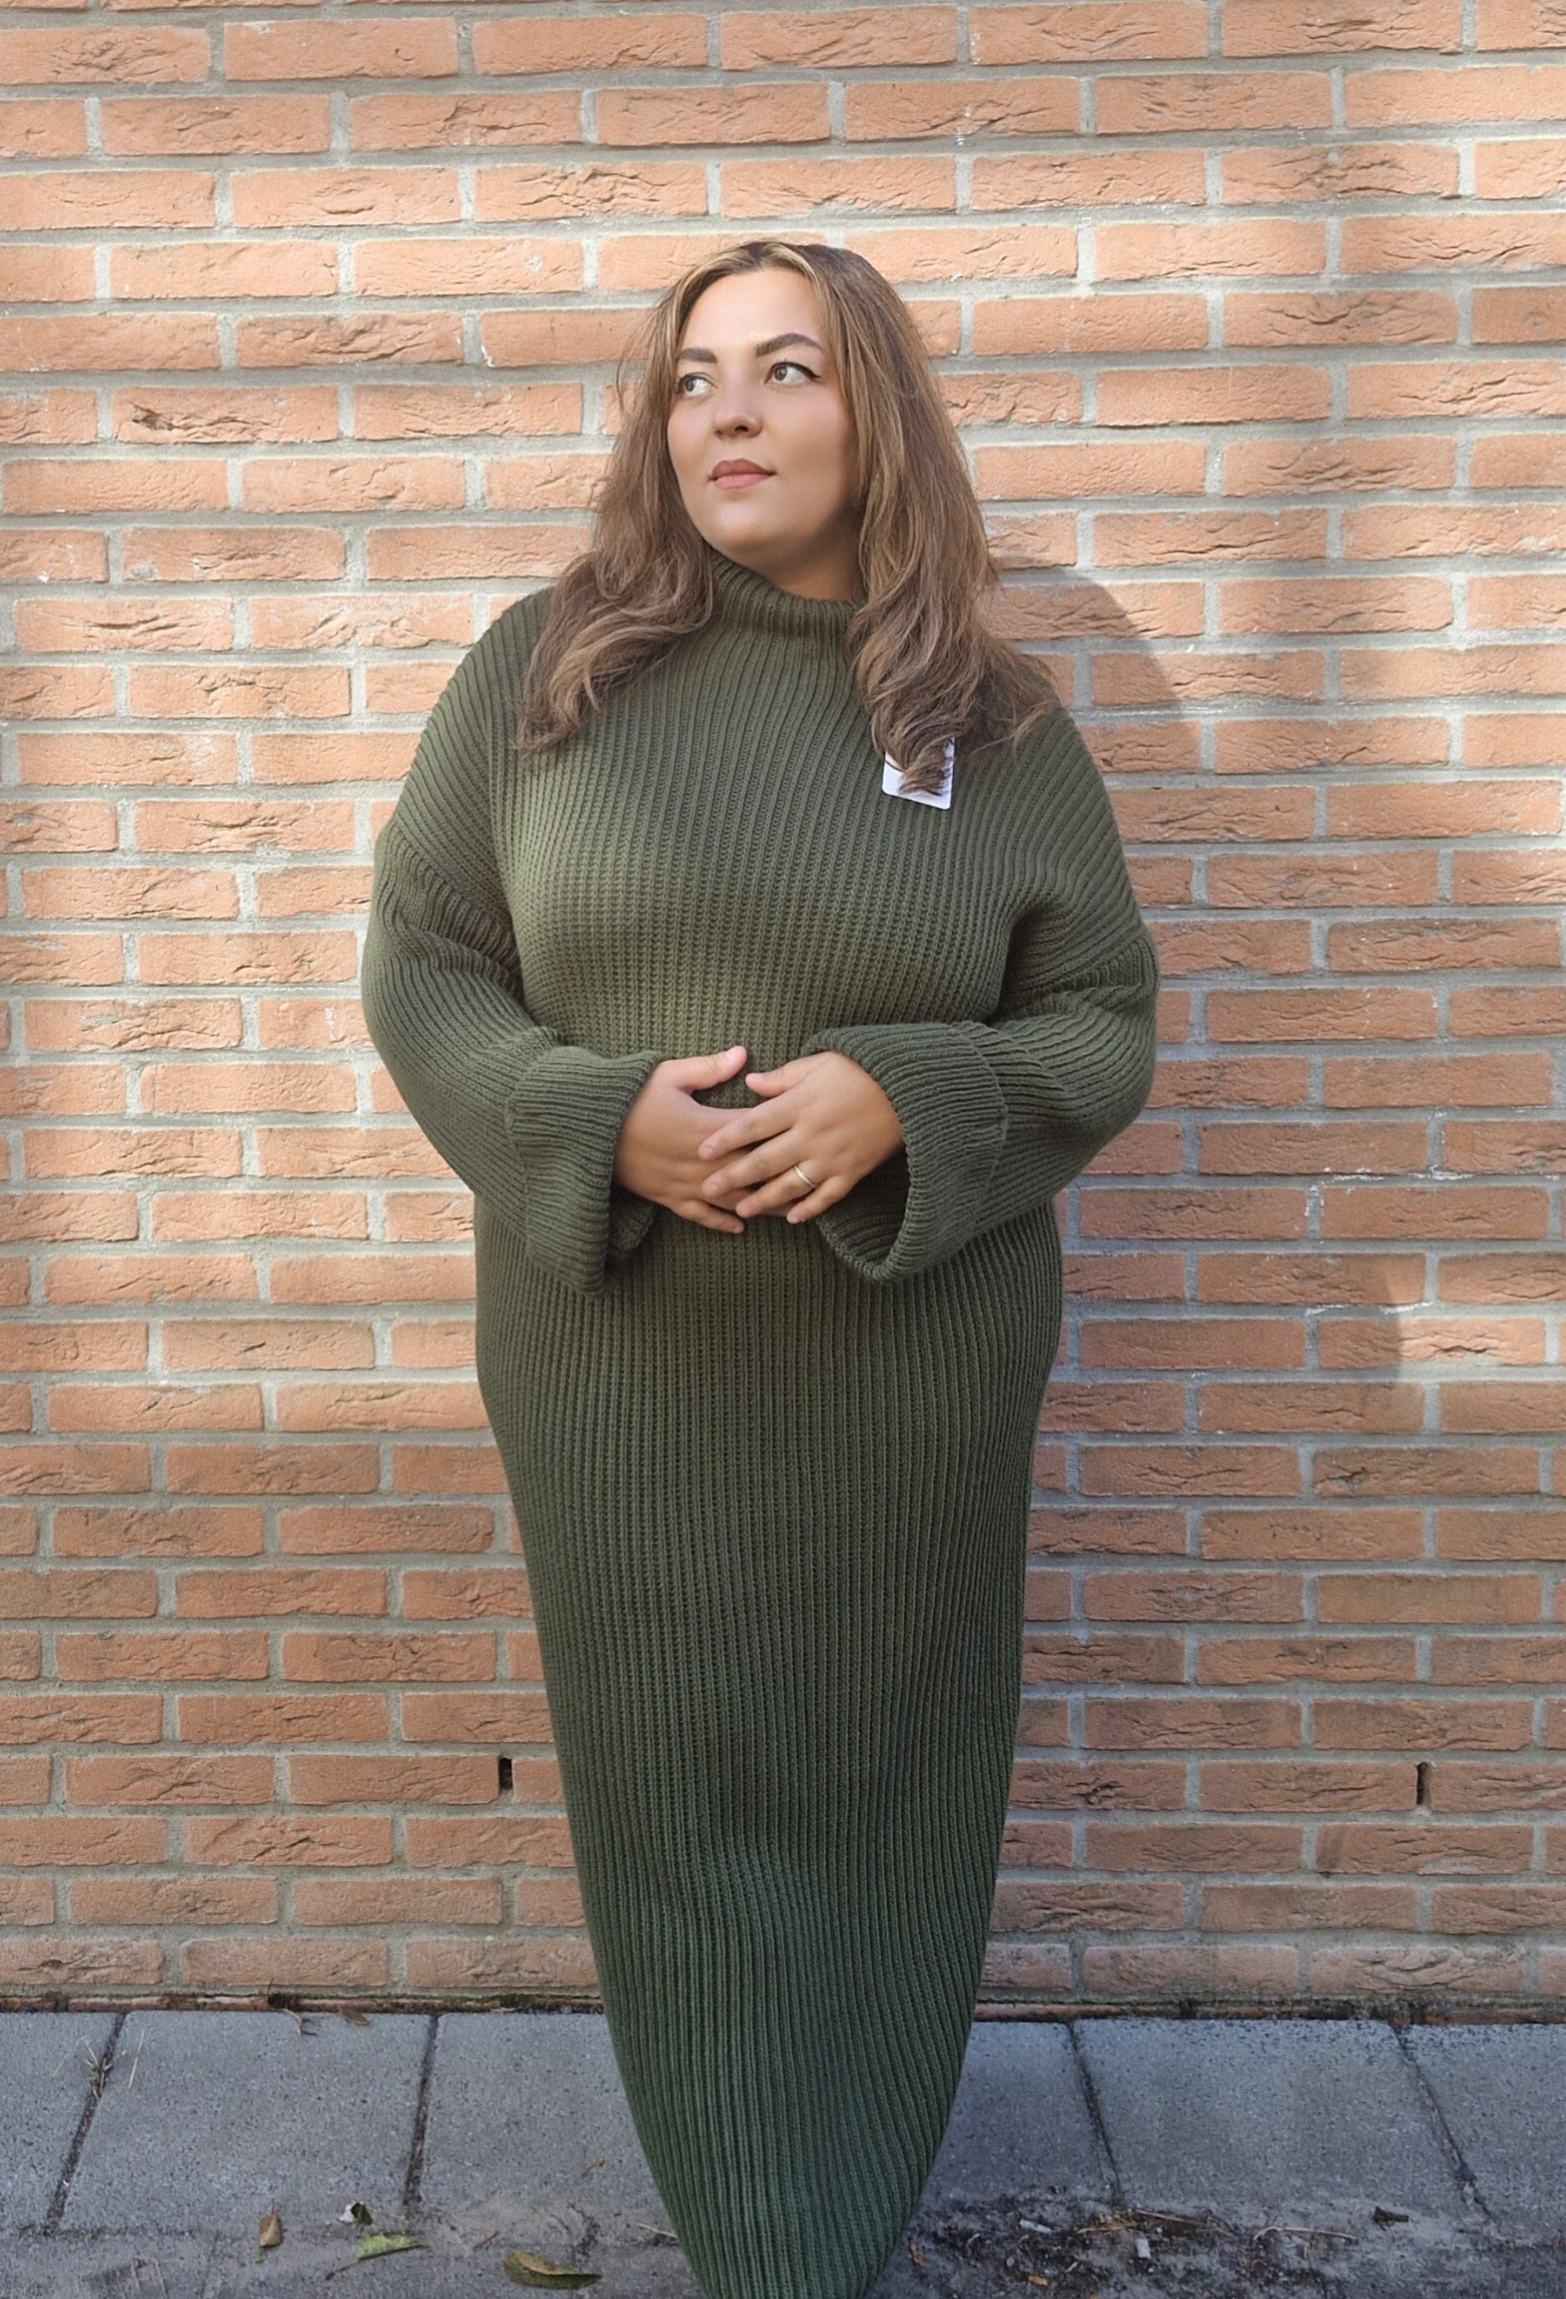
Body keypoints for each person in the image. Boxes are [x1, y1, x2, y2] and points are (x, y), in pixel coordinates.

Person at [360, 237, 1160, 2299]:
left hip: (912, 1381)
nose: (726, 408)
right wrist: (588, 1120)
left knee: (889, 1773)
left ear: (873, 412)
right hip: (621, 1369)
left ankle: (836, 2220)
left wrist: (908, 1092)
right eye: (694, 373)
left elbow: (1100, 1021)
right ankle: (754, 2238)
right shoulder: (541, 674)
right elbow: (425, 963)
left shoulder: (994, 723)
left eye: (787, 368)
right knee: (671, 1783)